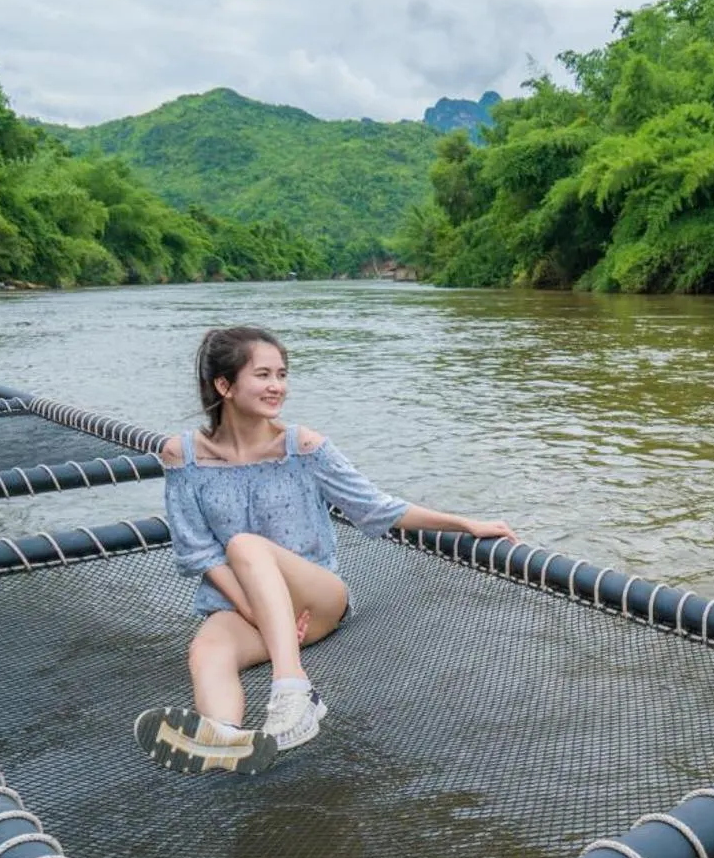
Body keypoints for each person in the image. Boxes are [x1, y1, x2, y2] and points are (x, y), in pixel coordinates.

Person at [133, 325, 514, 775]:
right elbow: (197, 552)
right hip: (243, 606)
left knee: (244, 544)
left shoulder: (304, 448)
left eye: (282, 374)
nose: (278, 386)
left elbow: (374, 507)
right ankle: (226, 737)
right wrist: (253, 611)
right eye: (263, 375)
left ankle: (293, 690)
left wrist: (461, 522)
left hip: (317, 599)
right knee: (206, 652)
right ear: (225, 385)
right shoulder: (183, 455)